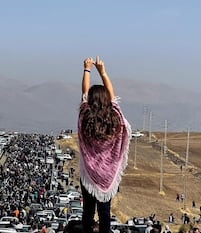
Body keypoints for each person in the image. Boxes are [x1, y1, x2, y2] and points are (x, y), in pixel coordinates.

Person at [78, 56, 131, 233]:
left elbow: (84, 94)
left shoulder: (85, 117)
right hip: (108, 176)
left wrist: (87, 69)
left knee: (88, 211)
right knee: (104, 212)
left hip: (88, 173)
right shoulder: (116, 119)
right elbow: (113, 96)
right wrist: (103, 72)